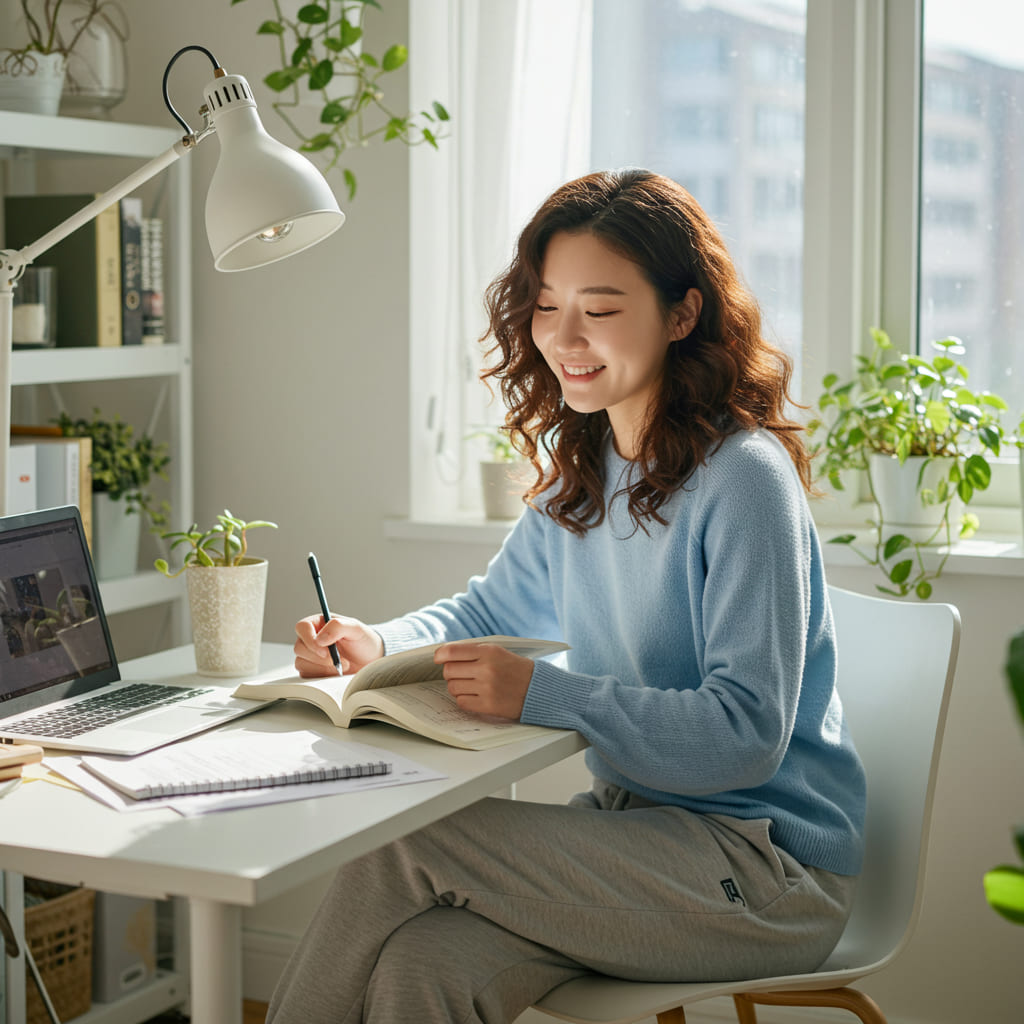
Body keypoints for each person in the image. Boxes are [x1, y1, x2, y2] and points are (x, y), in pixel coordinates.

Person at [266, 169, 866, 1024]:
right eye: (548, 307)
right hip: (635, 837)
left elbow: (747, 736)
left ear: (683, 313)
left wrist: (544, 695)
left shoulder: (745, 482)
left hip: (764, 872)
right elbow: (485, 613)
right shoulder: (589, 464)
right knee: (423, 965)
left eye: (603, 307)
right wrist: (377, 643)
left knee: (401, 841)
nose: (566, 336)